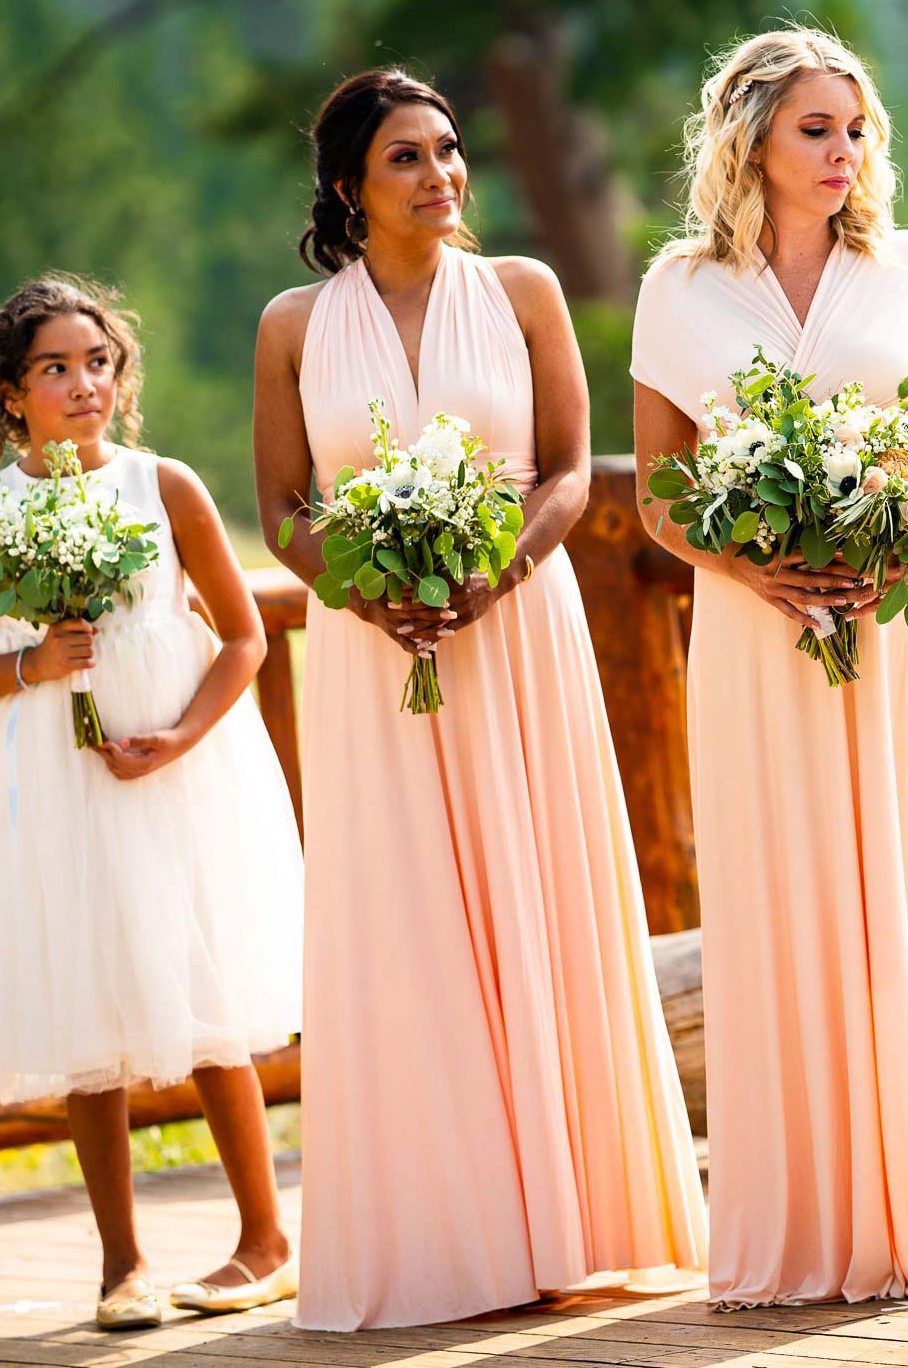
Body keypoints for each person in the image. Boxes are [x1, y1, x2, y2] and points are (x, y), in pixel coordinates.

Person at [253, 68, 705, 1331]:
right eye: (408, 157)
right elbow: (281, 506)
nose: (443, 175)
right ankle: (436, 1232)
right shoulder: (293, 324)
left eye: (450, 151)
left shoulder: (523, 291)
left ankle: (572, 1222)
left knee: (535, 893)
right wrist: (360, 585)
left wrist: (495, 570)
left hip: (513, 630)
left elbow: (569, 467)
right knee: (399, 912)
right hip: (366, 643)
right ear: (350, 186)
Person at [630, 25, 908, 1308]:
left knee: (905, 896)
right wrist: (754, 569)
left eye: (856, 131)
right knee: (783, 897)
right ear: (751, 141)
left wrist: (903, 543)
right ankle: (802, 1208)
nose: (844, 153)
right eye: (815, 130)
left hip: (902, 630)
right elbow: (665, 498)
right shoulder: (678, 287)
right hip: (754, 632)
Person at [0, 276, 303, 1330]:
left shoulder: (163, 486)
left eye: (99, 363)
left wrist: (178, 738)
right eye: (55, 368)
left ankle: (265, 1239)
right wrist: (33, 668)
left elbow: (243, 636)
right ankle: (121, 1264)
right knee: (88, 1002)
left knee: (205, 996)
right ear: (11, 393)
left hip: (169, 772)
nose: (84, 384)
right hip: (51, 780)